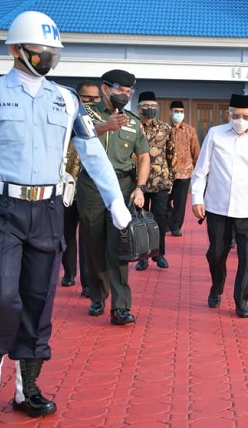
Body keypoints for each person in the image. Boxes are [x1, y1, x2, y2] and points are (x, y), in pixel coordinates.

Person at [0, 11, 131, 420]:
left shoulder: (65, 100)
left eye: (53, 52)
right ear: (15, 50)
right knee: (0, 297)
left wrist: (116, 200)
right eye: (40, 50)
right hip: (2, 209)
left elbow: (91, 151)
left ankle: (26, 387)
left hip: (48, 209)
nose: (47, 57)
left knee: (37, 299)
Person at [79, 69, 150, 326]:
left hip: (122, 185)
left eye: (129, 91)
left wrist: (140, 187)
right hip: (92, 186)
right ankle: (97, 294)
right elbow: (75, 136)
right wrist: (104, 127)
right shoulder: (86, 114)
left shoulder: (133, 121)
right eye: (120, 89)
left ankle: (121, 307)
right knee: (93, 242)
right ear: (105, 89)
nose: (125, 94)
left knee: (120, 245)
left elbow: (143, 156)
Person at [191, 94, 248, 318]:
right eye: (236, 115)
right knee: (216, 253)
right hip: (217, 206)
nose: (240, 120)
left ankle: (241, 301)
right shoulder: (215, 134)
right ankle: (216, 288)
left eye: (246, 116)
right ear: (228, 114)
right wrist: (197, 198)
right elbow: (201, 170)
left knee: (247, 256)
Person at [60, 81, 100, 295]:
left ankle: (87, 283)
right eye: (88, 99)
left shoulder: (103, 123)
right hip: (66, 188)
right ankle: (69, 273)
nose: (92, 103)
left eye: (96, 99)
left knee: (88, 238)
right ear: (78, 98)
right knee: (66, 234)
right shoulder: (65, 119)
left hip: (90, 191)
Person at [134, 91, 174, 271]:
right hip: (138, 184)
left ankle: (159, 254)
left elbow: (172, 155)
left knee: (159, 219)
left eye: (153, 106)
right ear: (138, 108)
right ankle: (142, 257)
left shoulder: (165, 128)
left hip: (160, 182)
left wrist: (171, 179)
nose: (150, 109)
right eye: (146, 106)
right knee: (140, 220)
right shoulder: (132, 126)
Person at [167, 100, 200, 237]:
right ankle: (167, 223)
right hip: (166, 173)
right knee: (165, 201)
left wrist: (198, 170)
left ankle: (175, 226)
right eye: (176, 111)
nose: (178, 114)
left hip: (185, 172)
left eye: (181, 112)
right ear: (170, 112)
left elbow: (196, 151)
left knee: (180, 203)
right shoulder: (164, 129)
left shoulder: (190, 130)